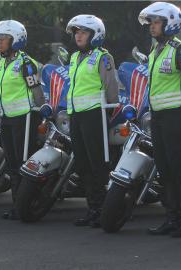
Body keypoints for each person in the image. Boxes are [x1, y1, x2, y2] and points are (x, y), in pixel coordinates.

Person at [139, 2, 181, 237]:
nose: (152, 27)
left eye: (156, 22)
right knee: (163, 169)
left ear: (169, 23)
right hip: (158, 117)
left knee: (179, 169)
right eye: (151, 23)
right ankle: (171, 218)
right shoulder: (155, 50)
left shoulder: (179, 50)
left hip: (176, 117)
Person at [0, 20, 45, 219]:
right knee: (12, 163)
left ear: (15, 40)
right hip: (7, 118)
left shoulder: (26, 64)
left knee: (23, 162)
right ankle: (17, 206)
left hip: (25, 118)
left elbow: (37, 92)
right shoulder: (3, 62)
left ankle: (28, 205)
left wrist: (41, 112)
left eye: (3, 39)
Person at [65, 15, 119, 227]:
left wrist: (110, 112)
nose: (78, 36)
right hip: (76, 115)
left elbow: (111, 89)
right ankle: (92, 208)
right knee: (83, 164)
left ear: (95, 35)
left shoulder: (102, 57)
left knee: (98, 164)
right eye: (76, 32)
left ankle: (103, 210)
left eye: (83, 32)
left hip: (94, 114)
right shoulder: (74, 57)